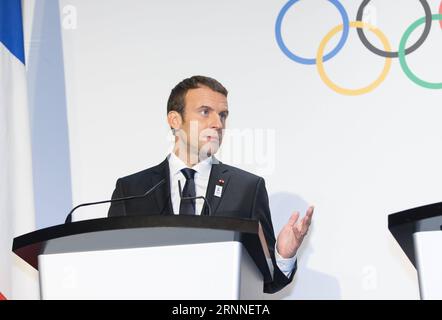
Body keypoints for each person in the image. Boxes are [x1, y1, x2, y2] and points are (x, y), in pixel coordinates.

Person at [108, 75, 313, 293]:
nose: (218, 124)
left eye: (223, 115)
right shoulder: (132, 189)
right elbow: (111, 266)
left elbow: (268, 281)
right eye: (205, 112)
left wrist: (283, 255)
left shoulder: (246, 188)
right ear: (175, 120)